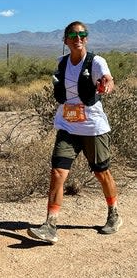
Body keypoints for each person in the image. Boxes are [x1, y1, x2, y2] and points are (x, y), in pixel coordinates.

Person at [27, 21, 122, 243]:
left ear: (86, 38)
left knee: (101, 173)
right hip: (68, 125)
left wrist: (106, 85)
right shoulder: (61, 63)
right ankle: (50, 224)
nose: (78, 38)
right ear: (65, 40)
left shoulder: (96, 61)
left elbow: (108, 78)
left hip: (92, 127)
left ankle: (114, 214)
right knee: (58, 172)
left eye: (82, 34)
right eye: (73, 34)